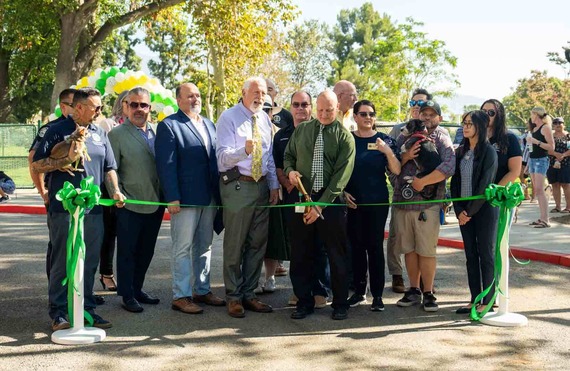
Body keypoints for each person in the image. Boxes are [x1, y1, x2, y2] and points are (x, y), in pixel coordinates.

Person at [32, 87, 126, 331]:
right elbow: (38, 163)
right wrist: (60, 162)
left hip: (93, 208)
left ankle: (85, 308)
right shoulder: (56, 130)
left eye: (100, 107)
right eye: (96, 107)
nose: (99, 111)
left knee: (90, 260)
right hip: (64, 209)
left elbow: (109, 167)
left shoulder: (99, 133)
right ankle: (59, 313)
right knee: (63, 260)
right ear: (80, 107)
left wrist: (115, 190)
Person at [284, 90, 355, 320]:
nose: (324, 114)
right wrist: (290, 172)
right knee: (301, 252)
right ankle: (304, 302)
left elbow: (341, 177)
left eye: (329, 110)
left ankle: (340, 303)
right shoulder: (302, 130)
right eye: (321, 110)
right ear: (316, 108)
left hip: (330, 203)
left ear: (338, 109)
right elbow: (288, 157)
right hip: (302, 199)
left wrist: (320, 206)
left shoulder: (345, 138)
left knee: (336, 254)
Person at [155, 83, 225, 315]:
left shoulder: (208, 124)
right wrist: (172, 197)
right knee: (182, 247)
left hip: (209, 197)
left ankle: (202, 290)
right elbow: (166, 165)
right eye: (189, 96)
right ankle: (181, 295)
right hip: (184, 199)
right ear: (178, 100)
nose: (195, 99)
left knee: (205, 246)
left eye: (197, 95)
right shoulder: (169, 125)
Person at [216, 77, 279, 318]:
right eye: (255, 92)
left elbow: (269, 157)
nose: (260, 97)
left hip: (261, 187)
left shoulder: (264, 118)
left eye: (263, 93)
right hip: (237, 187)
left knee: (257, 243)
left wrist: (273, 185)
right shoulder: (228, 118)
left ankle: (249, 293)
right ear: (243, 92)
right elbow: (221, 158)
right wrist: (244, 150)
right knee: (235, 244)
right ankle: (233, 296)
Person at [393, 100, 455, 312]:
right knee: (408, 249)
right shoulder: (403, 136)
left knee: (427, 250)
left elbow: (449, 165)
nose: (427, 117)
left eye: (432, 114)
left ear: (439, 117)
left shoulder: (441, 137)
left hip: (428, 204)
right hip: (404, 202)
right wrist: (406, 156)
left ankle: (428, 292)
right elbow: (391, 166)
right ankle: (413, 289)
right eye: (423, 114)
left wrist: (423, 181)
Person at [108, 87, 164, 313]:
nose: (139, 109)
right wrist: (116, 192)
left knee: (146, 250)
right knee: (127, 251)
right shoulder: (116, 135)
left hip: (155, 204)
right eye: (134, 105)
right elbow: (110, 169)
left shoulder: (159, 132)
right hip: (129, 204)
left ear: (150, 108)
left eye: (144, 105)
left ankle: (137, 288)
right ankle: (127, 295)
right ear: (125, 107)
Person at [274, 91, 331, 309]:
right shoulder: (280, 136)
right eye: (296, 104)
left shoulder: (323, 131)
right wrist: (287, 181)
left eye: (304, 104)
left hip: (318, 197)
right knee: (299, 245)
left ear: (311, 108)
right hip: (292, 195)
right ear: (290, 107)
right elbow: (278, 165)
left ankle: (320, 290)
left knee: (320, 245)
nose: (300, 108)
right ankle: (300, 291)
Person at [344, 100, 401, 311]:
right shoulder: (348, 140)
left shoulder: (385, 140)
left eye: (371, 114)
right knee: (356, 248)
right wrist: (342, 192)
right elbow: (340, 170)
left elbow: (396, 170)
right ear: (355, 117)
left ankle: (378, 295)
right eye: (363, 113)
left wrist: (387, 151)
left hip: (377, 203)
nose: (368, 117)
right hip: (353, 203)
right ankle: (359, 292)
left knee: (375, 248)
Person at [451, 110, 498, 314]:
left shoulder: (489, 152)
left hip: (483, 211)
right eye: (464, 123)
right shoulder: (461, 151)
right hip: (465, 211)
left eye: (470, 123)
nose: (466, 126)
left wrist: (469, 212)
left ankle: (488, 300)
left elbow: (484, 185)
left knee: (485, 254)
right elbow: (455, 182)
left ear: (480, 126)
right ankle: (474, 298)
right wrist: (460, 210)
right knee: (471, 255)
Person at [387, 88, 432, 293]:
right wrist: (402, 162)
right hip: (401, 192)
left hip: (426, 196)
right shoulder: (398, 130)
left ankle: (423, 282)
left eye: (421, 103)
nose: (416, 107)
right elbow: (389, 161)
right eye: (413, 103)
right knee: (397, 236)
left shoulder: (436, 130)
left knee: (424, 241)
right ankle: (397, 275)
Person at [27, 89, 75, 279]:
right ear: (63, 107)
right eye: (74, 105)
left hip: (82, 197)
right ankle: (56, 290)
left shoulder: (84, 127)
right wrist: (43, 192)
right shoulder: (51, 129)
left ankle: (78, 290)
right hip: (58, 195)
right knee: (59, 245)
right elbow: (33, 159)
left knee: (80, 243)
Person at [98, 90, 129, 292]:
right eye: (130, 103)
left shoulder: (143, 127)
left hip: (131, 189)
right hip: (110, 187)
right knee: (108, 233)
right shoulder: (108, 124)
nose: (136, 107)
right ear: (121, 103)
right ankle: (106, 274)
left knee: (125, 234)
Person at [481, 99, 522, 187]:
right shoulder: (474, 137)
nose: (486, 115)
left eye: (491, 112)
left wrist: (495, 191)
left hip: (498, 194)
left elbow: (515, 171)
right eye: (483, 112)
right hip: (475, 193)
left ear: (499, 115)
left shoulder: (510, 138)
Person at [527, 107, 555, 228]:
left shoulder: (545, 127)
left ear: (536, 115)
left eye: (532, 115)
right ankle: (542, 217)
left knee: (539, 189)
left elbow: (551, 147)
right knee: (537, 190)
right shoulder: (534, 129)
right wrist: (528, 163)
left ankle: (545, 219)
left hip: (541, 160)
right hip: (533, 160)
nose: (531, 117)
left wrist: (536, 141)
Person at [547, 117, 570, 213]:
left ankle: (568, 207)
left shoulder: (568, 136)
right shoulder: (550, 136)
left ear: (563, 124)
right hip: (552, 164)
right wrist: (556, 155)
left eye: (559, 122)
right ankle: (557, 206)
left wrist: (563, 155)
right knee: (555, 185)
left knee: (566, 185)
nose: (557, 125)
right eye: (555, 123)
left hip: (566, 163)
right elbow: (547, 148)